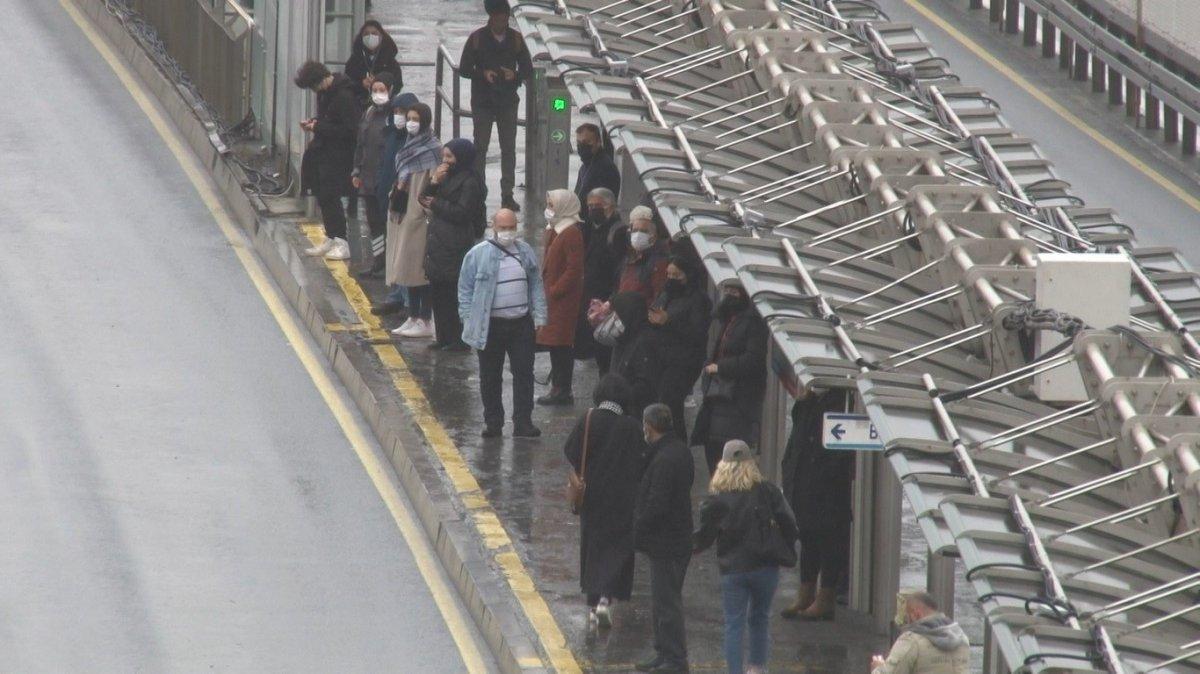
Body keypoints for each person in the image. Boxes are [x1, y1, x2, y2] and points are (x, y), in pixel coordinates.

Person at [693, 440, 798, 674]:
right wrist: (786, 544)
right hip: (765, 567)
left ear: (723, 464)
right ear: (751, 463)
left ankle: (734, 671)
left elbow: (705, 536)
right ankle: (757, 668)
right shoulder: (768, 491)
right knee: (760, 618)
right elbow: (789, 522)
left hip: (733, 569)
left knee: (734, 623)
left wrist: (692, 547)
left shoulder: (718, 499)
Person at [562, 374, 645, 627]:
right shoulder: (631, 426)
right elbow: (641, 460)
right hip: (623, 498)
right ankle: (606, 600)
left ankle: (591, 603)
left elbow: (571, 450)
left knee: (592, 548)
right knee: (617, 550)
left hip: (592, 496)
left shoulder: (589, 419)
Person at [458, 209, 548, 438]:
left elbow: (536, 284)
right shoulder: (477, 255)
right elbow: (465, 290)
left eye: (511, 227)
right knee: (490, 376)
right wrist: (468, 320)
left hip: (521, 325)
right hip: (491, 326)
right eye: (503, 227)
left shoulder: (525, 252)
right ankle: (493, 422)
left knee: (524, 374)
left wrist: (539, 316)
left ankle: (523, 422)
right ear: (493, 227)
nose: (507, 232)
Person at [779, 386, 854, 621]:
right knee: (808, 538)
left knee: (829, 540)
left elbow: (840, 452)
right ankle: (807, 591)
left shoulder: (839, 402)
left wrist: (825, 475)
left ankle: (826, 596)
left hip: (827, 489)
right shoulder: (808, 403)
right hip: (804, 483)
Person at [634, 403, 694, 674]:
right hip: (674, 538)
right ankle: (663, 652)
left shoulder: (664, 459)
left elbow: (657, 503)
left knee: (667, 601)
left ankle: (675, 658)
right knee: (661, 600)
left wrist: (637, 528)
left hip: (667, 541)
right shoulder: (678, 450)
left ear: (649, 426)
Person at [460, 0, 533, 212]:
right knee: (480, 147)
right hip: (483, 100)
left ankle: (507, 194)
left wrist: (515, 75)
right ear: (491, 17)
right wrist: (482, 74)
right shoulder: (477, 38)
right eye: (499, 17)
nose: (503, 21)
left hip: (507, 101)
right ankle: (478, 192)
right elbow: (464, 68)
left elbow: (528, 69)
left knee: (508, 148)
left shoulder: (516, 39)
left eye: (505, 17)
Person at [691, 281, 769, 474]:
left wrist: (720, 367)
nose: (729, 295)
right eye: (727, 290)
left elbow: (754, 360)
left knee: (727, 455)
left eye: (734, 291)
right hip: (719, 395)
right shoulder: (728, 319)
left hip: (736, 399)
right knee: (715, 451)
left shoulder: (752, 323)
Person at [421, 138, 486, 350]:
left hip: (455, 242)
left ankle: (458, 340)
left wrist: (437, 204)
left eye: (450, 157)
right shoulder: (444, 177)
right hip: (438, 240)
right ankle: (443, 337)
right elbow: (423, 199)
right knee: (438, 292)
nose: (446, 161)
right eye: (444, 157)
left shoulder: (470, 181)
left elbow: (463, 212)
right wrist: (433, 183)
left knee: (452, 294)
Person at [296, 60, 361, 261]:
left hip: (340, 155)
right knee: (324, 194)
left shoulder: (344, 97)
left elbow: (350, 130)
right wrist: (316, 122)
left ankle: (341, 240)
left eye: (314, 86)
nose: (314, 91)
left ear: (322, 79)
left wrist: (317, 127)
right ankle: (332, 236)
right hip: (326, 151)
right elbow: (329, 120)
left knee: (331, 195)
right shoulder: (326, 94)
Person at [387, 103, 441, 338]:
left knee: (420, 269)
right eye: (409, 117)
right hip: (403, 211)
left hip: (418, 216)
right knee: (407, 267)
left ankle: (425, 317)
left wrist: (423, 211)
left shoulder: (432, 149)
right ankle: (413, 315)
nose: (410, 122)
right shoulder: (408, 146)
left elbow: (434, 184)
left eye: (415, 118)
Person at [647, 255, 711, 440]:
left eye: (677, 275)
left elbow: (697, 333)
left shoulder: (699, 299)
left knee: (670, 405)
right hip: (662, 357)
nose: (671, 279)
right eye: (669, 274)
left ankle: (677, 445)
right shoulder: (667, 292)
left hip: (685, 361)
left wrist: (668, 321)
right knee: (663, 403)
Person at [536, 189, 586, 405]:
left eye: (552, 205)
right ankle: (559, 387)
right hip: (553, 299)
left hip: (562, 301)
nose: (549, 209)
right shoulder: (555, 229)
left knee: (562, 345)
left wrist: (555, 290)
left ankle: (562, 389)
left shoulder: (571, 233)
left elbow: (574, 269)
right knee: (556, 345)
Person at [577, 188, 628, 374]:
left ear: (610, 207)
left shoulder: (617, 232)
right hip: (594, 303)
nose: (591, 210)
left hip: (607, 303)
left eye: (596, 206)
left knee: (607, 355)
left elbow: (619, 270)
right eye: (589, 206)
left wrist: (610, 301)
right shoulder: (592, 228)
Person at [351, 73, 396, 276]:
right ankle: (378, 261)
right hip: (368, 179)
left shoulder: (395, 116)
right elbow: (361, 145)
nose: (378, 94)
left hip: (385, 179)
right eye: (375, 90)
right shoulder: (368, 112)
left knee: (388, 223)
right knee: (374, 222)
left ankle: (390, 263)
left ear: (391, 90)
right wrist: (357, 170)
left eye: (383, 90)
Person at [871, 591, 970, 674]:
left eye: (907, 617)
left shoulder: (911, 640)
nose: (905, 624)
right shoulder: (962, 638)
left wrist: (877, 668)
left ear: (916, 614)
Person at [610, 290, 662, 416]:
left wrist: (619, 395)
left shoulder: (644, 341)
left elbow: (645, 383)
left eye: (617, 313)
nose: (615, 317)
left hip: (636, 412)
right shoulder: (626, 336)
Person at [617, 206, 670, 308]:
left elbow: (658, 296)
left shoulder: (659, 261)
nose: (638, 234)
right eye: (635, 230)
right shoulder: (629, 257)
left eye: (644, 231)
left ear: (653, 235)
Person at [343, 20, 404, 105]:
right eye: (366, 34)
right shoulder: (354, 61)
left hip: (385, 103)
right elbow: (347, 82)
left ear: (381, 36)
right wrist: (361, 84)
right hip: (358, 103)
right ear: (361, 37)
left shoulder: (390, 60)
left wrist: (381, 86)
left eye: (374, 33)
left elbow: (398, 84)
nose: (370, 36)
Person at [573, 123, 621, 204]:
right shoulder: (585, 165)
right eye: (579, 143)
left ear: (598, 142)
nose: (582, 146)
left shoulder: (604, 167)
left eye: (587, 142)